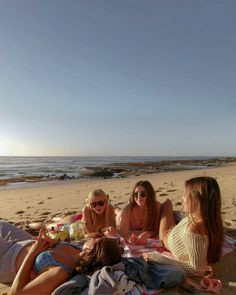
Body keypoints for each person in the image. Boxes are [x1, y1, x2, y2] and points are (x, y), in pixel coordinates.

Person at [0, 221, 122, 295]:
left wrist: (33, 252)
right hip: (23, 242)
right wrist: (53, 242)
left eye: (96, 239)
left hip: (7, 259)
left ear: (91, 250)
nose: (94, 236)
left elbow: (17, 292)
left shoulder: (60, 272)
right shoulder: (79, 250)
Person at [143, 176, 224, 274]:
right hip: (177, 231)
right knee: (168, 208)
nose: (182, 199)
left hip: (166, 235)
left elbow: (198, 269)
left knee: (166, 204)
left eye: (185, 195)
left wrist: (158, 259)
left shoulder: (192, 229)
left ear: (196, 199)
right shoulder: (210, 218)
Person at [119, 180, 161, 244]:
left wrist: (148, 233)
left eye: (142, 194)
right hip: (120, 219)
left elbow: (158, 229)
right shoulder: (128, 210)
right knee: (118, 212)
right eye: (136, 194)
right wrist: (130, 239)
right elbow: (123, 233)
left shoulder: (156, 207)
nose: (138, 197)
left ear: (149, 195)